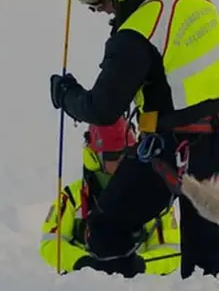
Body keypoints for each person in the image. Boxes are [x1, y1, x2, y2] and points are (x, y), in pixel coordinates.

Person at [49, 0, 219, 282]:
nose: (100, 9)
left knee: (106, 229)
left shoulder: (134, 36)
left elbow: (103, 108)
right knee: (206, 259)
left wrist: (66, 95)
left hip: (174, 150)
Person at [39, 117, 181, 276]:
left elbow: (171, 251)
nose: (121, 161)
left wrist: (139, 265)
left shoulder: (154, 197)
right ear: (95, 157)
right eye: (112, 156)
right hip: (83, 286)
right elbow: (50, 243)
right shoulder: (72, 197)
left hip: (136, 289)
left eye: (126, 154)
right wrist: (85, 263)